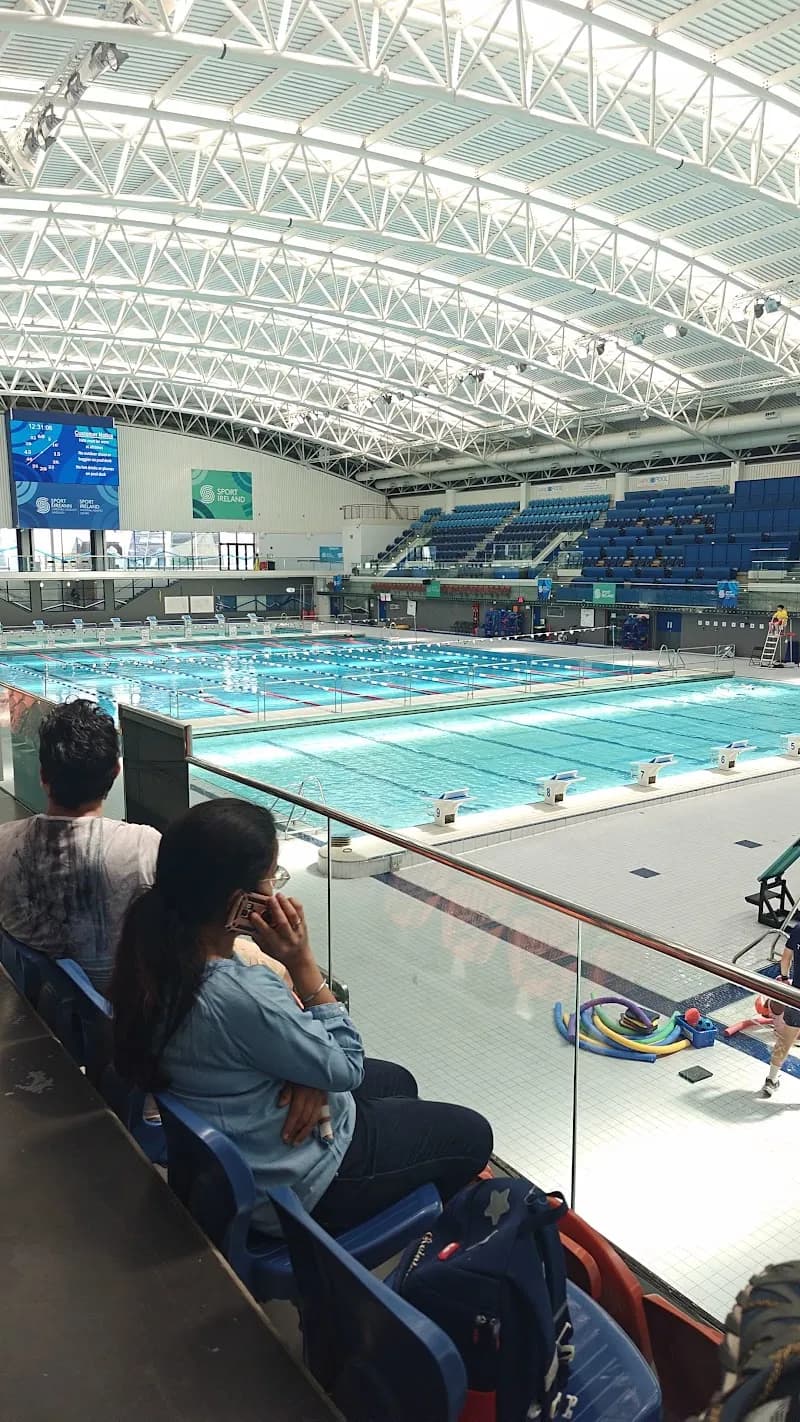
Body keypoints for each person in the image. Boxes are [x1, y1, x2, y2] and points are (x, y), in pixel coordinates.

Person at [111, 798, 493, 1233]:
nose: (276, 892)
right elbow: (346, 1067)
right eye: (271, 879)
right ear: (242, 902)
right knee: (473, 1135)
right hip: (296, 1183)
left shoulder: (154, 948)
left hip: (241, 1130)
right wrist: (303, 964)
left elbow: (273, 1040)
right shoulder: (240, 992)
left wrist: (306, 1073)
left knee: (398, 1080)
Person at [0, 699, 161, 993]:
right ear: (115, 771)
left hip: (43, 1000)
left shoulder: (3, 843)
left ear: (43, 776)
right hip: (124, 1012)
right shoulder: (143, 848)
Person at [760, 920, 800, 1097]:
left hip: (796, 996)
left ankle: (771, 1080)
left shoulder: (798, 929)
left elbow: (785, 959)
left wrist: (784, 979)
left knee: (785, 1041)